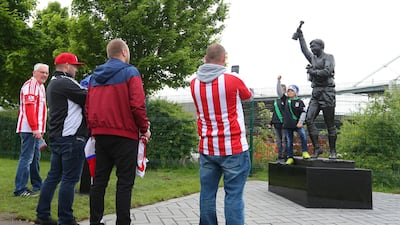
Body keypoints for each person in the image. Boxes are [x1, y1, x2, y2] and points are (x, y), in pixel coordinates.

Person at [86, 38, 150, 225]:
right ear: (123, 52)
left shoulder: (94, 77)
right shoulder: (131, 72)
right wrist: (144, 128)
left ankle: (94, 221)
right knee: (124, 183)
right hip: (125, 135)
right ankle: (123, 221)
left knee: (99, 182)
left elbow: (88, 107)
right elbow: (138, 105)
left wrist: (93, 129)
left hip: (101, 134)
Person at [190, 43, 253, 225]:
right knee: (233, 195)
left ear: (205, 58)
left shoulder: (193, 84)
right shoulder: (233, 79)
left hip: (208, 148)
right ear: (224, 59)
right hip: (234, 148)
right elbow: (248, 96)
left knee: (207, 195)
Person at [35, 52, 88, 225]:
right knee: (69, 179)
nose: (76, 70)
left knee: (53, 177)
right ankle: (66, 219)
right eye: (75, 66)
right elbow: (89, 96)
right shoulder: (66, 82)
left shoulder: (53, 83)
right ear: (66, 66)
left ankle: (42, 215)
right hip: (71, 138)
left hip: (58, 137)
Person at [294, 27, 337, 159]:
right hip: (316, 93)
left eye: (314, 46)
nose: (312, 49)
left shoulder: (329, 57)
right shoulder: (312, 58)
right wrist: (301, 36)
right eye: (311, 46)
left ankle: (333, 151)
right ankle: (317, 149)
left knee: (329, 122)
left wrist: (313, 72)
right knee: (309, 119)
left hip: (327, 92)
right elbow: (304, 50)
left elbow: (327, 72)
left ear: (321, 46)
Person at [14, 63, 49, 197]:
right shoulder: (31, 85)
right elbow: (30, 109)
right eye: (42, 72)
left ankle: (37, 184)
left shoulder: (41, 87)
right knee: (27, 158)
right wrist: (35, 128)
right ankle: (20, 188)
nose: (44, 75)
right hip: (29, 129)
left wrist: (40, 129)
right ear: (34, 72)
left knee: (35, 157)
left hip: (35, 129)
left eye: (46, 73)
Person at [281, 84, 310, 165]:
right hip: (287, 125)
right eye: (288, 91)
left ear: (296, 92)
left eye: (292, 91)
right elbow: (279, 92)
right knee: (289, 141)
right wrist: (278, 81)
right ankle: (290, 157)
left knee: (303, 135)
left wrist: (300, 122)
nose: (290, 92)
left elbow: (303, 112)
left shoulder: (299, 102)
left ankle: (305, 152)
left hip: (297, 124)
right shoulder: (286, 100)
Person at [270, 75, 287, 163]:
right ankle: (279, 156)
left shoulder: (286, 100)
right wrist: (271, 122)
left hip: (284, 124)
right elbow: (274, 112)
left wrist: (278, 81)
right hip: (276, 123)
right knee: (279, 141)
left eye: (282, 89)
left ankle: (284, 156)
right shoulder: (276, 101)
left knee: (284, 141)